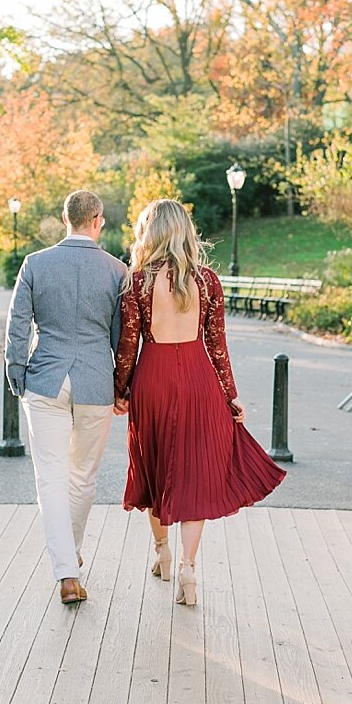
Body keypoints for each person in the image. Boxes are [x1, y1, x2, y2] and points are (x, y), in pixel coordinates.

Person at [113, 198, 286, 605]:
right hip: (198, 379)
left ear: (149, 233)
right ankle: (189, 570)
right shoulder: (207, 281)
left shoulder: (137, 282)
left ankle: (163, 553)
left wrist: (121, 390)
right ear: (186, 231)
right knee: (192, 473)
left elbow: (128, 346)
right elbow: (218, 346)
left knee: (154, 466)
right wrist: (230, 396)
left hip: (152, 380)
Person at [5, 189, 127, 604]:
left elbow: (17, 325)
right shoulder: (116, 270)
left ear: (65, 219)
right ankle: (69, 561)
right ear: (97, 219)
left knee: (51, 476)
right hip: (96, 381)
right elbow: (121, 338)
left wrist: (16, 374)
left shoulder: (35, 264)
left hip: (46, 380)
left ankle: (66, 570)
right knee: (83, 478)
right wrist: (122, 386)